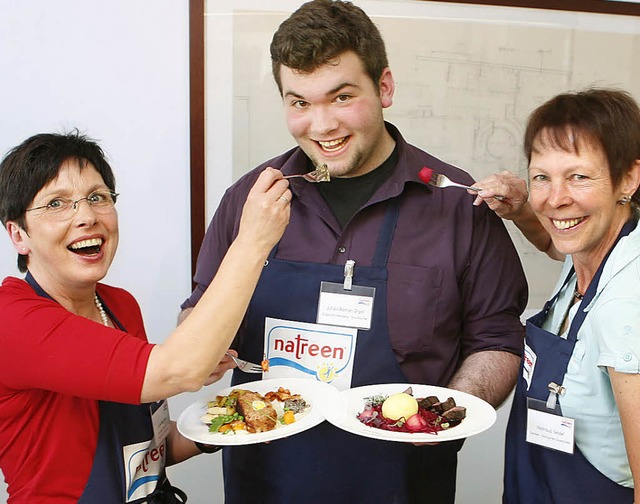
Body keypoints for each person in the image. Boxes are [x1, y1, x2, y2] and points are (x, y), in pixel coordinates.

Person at [179, 1, 528, 502]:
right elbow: (198, 314)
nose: (320, 125)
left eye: (341, 97)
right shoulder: (248, 201)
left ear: (384, 87)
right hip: (266, 481)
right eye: (299, 102)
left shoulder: (456, 204)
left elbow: (496, 338)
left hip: (405, 482)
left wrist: (438, 420)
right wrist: (204, 351)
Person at [0, 131, 291, 503]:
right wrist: (253, 240)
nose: (87, 216)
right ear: (18, 235)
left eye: (97, 197)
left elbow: (151, 447)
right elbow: (178, 370)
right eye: (57, 203)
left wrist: (236, 420)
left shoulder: (119, 306)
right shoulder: (13, 320)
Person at [473, 88, 640, 503]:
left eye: (579, 176)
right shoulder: (598, 243)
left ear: (630, 179)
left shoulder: (625, 308)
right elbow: (557, 241)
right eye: (542, 177)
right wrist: (522, 212)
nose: (555, 198)